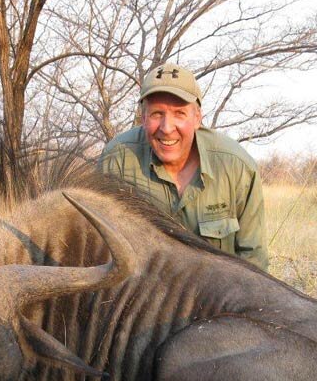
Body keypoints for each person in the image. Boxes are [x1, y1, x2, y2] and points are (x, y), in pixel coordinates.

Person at [99, 63, 268, 271]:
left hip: (217, 295)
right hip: (144, 296)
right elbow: (99, 250)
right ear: (143, 118)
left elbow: (253, 260)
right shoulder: (117, 160)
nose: (167, 128)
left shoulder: (237, 166)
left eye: (179, 114)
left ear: (197, 118)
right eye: (156, 114)